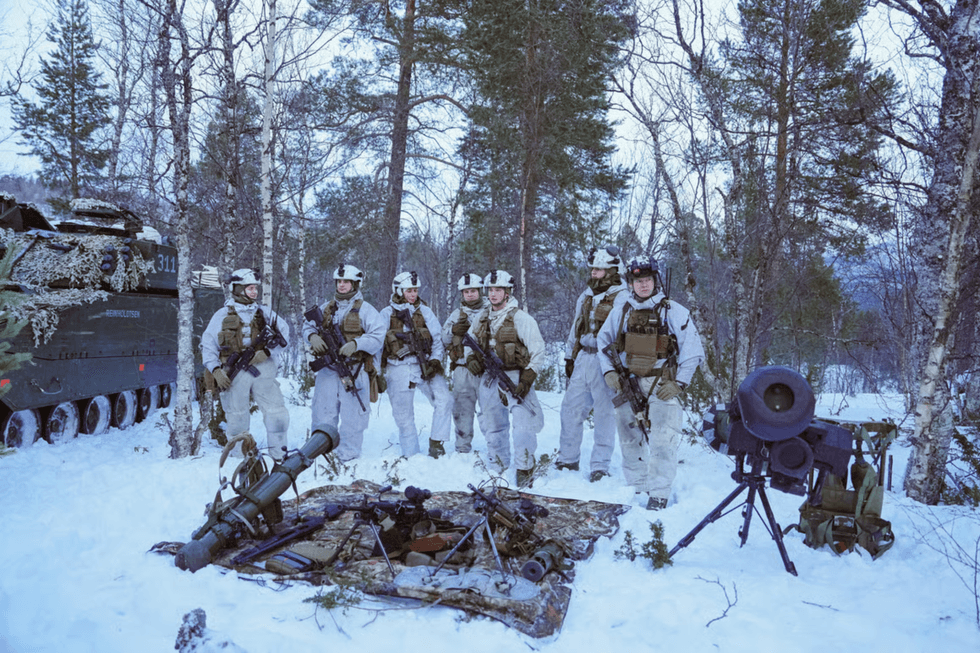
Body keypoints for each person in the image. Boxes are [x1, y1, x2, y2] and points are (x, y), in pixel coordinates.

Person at [596, 256, 705, 510]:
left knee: (663, 440)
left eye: (647, 280)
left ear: (655, 281)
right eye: (637, 281)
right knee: (628, 436)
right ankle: (637, 485)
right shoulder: (621, 310)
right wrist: (608, 372)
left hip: (661, 383)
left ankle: (659, 492)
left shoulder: (673, 311)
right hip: (629, 382)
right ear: (630, 283)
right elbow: (604, 343)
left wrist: (680, 383)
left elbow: (693, 351)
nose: (643, 286)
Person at [465, 270, 545, 488]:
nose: (493, 294)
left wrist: (527, 378)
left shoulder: (521, 318)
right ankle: (497, 466)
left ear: (507, 292)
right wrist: (471, 358)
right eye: (490, 290)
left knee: (523, 425)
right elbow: (469, 342)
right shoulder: (482, 317)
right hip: (490, 377)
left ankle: (524, 468)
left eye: (498, 290)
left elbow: (538, 350)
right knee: (492, 425)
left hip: (515, 375)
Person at [201, 268, 290, 458]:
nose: (254, 292)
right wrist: (215, 369)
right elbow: (208, 345)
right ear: (238, 289)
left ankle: (280, 455)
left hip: (264, 370)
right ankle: (239, 459)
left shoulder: (265, 313)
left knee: (277, 414)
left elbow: (285, 335)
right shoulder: (222, 315)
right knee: (237, 418)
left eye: (255, 288)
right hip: (234, 372)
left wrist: (267, 351)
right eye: (250, 288)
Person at [557, 246, 628, 482]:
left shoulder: (623, 297)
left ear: (613, 271)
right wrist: (569, 356)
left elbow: (625, 335)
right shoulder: (586, 295)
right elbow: (576, 326)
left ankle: (600, 465)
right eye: (594, 269)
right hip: (583, 358)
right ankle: (567, 459)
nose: (595, 273)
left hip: (606, 360)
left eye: (600, 269)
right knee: (570, 409)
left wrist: (621, 367)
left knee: (605, 414)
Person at [302, 264, 385, 462]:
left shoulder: (366, 310)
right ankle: (320, 453)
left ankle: (348, 455)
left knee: (353, 416)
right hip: (328, 370)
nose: (342, 285)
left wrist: (357, 344)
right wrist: (312, 336)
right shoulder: (326, 308)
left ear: (355, 284)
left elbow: (378, 336)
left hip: (355, 370)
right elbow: (307, 326)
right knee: (323, 411)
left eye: (346, 282)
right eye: (339, 282)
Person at [378, 271, 453, 458]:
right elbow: (377, 345)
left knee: (444, 399)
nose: (413, 294)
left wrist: (435, 360)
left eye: (415, 290)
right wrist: (376, 372)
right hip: (398, 367)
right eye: (409, 290)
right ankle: (411, 455)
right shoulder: (386, 313)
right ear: (398, 290)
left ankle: (437, 442)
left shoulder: (425, 311)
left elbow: (437, 338)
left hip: (424, 365)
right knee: (404, 416)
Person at [441, 273, 489, 454]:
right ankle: (462, 448)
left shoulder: (490, 310)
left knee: (489, 412)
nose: (470, 295)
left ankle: (495, 448)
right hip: (461, 369)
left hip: (485, 369)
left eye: (473, 291)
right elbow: (443, 339)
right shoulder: (456, 314)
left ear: (480, 291)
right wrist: (453, 330)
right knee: (461, 411)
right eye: (466, 291)